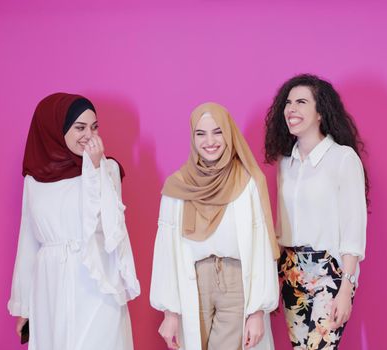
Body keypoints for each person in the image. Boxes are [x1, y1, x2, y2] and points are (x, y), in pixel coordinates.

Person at [8, 93, 140, 350]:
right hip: (50, 285)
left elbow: (110, 227)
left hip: (96, 281)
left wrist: (94, 168)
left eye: (94, 127)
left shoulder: (107, 169)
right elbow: (28, 242)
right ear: (56, 130)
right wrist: (23, 305)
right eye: (79, 128)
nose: (89, 136)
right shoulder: (35, 180)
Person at [150, 102, 279, 350]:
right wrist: (169, 312)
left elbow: (262, 245)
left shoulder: (247, 182)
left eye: (217, 131)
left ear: (229, 133)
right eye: (201, 133)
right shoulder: (178, 186)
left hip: (235, 283)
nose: (210, 141)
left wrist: (257, 312)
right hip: (192, 283)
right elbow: (166, 250)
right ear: (192, 137)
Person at [264, 74, 369, 349]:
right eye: (288, 103)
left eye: (301, 102)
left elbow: (353, 228)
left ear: (320, 111)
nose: (291, 109)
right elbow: (280, 224)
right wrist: (274, 276)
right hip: (291, 271)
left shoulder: (343, 159)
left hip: (329, 272)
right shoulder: (285, 163)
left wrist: (346, 288)